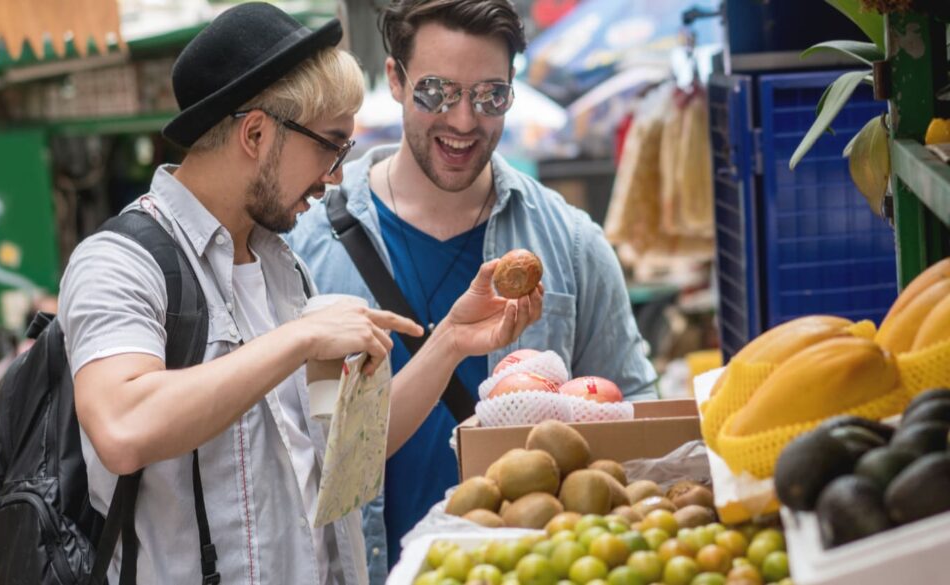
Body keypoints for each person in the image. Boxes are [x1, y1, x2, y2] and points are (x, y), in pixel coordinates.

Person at [60, 3, 542, 583]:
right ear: (258, 134)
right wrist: (298, 338)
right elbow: (122, 428)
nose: (337, 173)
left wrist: (453, 342)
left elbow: (349, 455)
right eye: (330, 145)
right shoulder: (119, 261)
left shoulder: (281, 265)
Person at [287, 0, 660, 579]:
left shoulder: (572, 244)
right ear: (394, 79)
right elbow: (285, 454)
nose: (463, 121)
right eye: (437, 92)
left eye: (490, 96)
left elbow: (640, 428)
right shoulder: (307, 244)